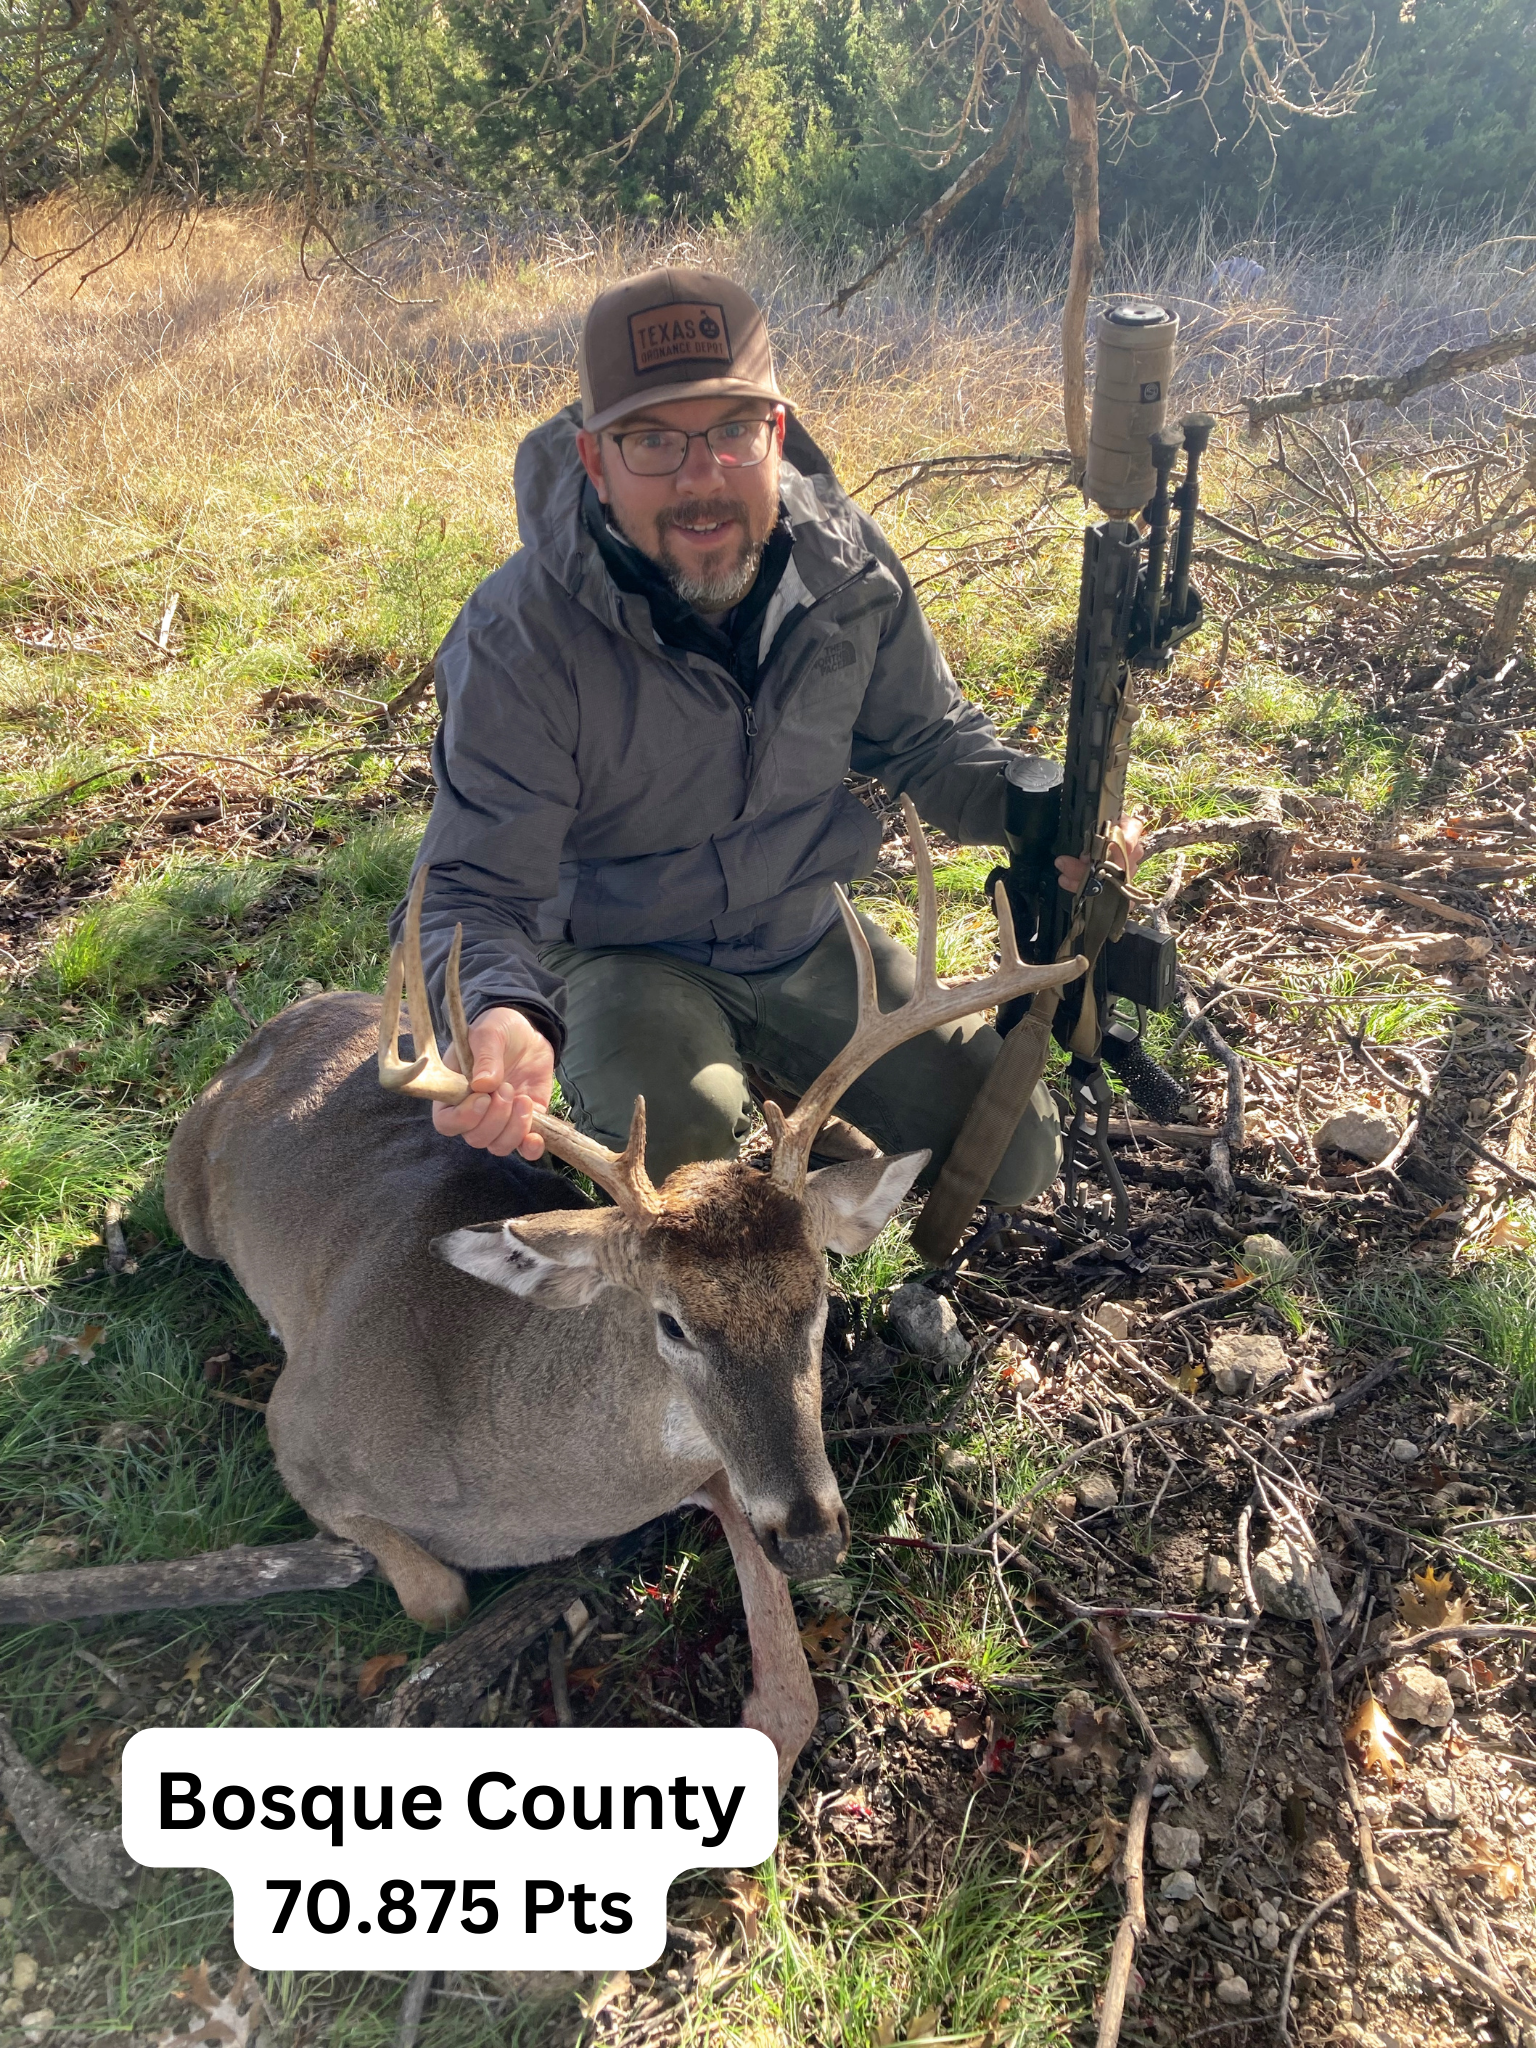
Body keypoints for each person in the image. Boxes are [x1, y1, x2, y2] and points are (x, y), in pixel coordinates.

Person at [398, 266, 1140, 1197]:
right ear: (594, 461)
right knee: (676, 1157)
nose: (701, 479)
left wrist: (1048, 811)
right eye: (653, 442)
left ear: (776, 437)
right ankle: (695, 1076)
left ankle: (786, 1080)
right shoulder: (521, 639)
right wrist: (499, 1013)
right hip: (619, 947)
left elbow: (929, 739)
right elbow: (467, 887)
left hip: (799, 926)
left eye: (733, 433)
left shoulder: (846, 570)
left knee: (1014, 1151)